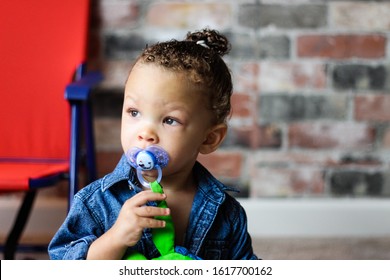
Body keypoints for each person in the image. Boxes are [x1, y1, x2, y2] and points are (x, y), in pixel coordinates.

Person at [48, 28, 258, 260]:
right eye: (134, 112)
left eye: (169, 120)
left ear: (209, 138)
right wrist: (116, 237)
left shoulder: (226, 213)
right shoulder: (95, 202)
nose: (145, 133)